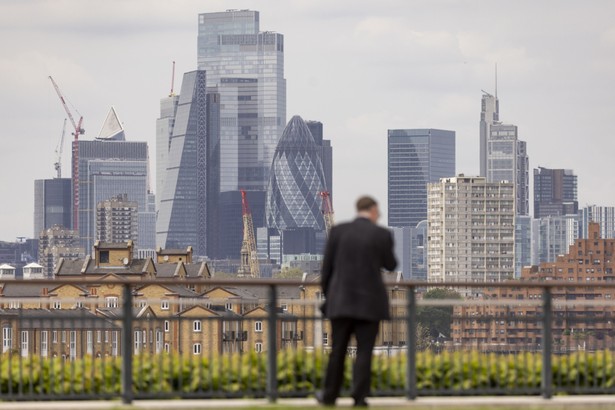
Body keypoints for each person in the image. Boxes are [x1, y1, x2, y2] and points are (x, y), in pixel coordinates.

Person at [317, 196, 397, 407]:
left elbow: (326, 271)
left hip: (340, 302)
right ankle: (359, 397)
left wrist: (329, 296)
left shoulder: (338, 231)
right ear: (372, 210)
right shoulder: (381, 234)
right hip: (369, 303)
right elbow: (391, 265)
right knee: (364, 351)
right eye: (377, 211)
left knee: (338, 351)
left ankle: (329, 396)